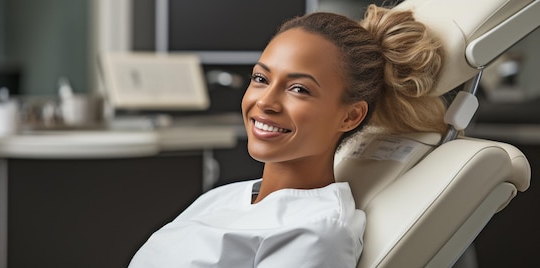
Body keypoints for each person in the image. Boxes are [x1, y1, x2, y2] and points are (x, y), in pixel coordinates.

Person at [128, 3, 447, 268]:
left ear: (351, 115)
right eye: (261, 78)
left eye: (299, 89)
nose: (265, 101)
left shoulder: (315, 234)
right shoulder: (225, 197)